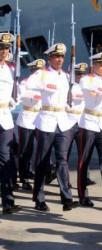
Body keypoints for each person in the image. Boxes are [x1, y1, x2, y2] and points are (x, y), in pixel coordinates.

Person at [27, 43, 78, 212]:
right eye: (57, 56)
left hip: (62, 121)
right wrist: (42, 91)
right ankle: (39, 198)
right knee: (42, 162)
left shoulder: (65, 76)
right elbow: (28, 89)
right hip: (46, 120)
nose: (60, 59)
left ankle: (67, 198)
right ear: (50, 58)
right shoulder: (41, 74)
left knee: (62, 160)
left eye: (62, 57)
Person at [77, 51, 102, 206]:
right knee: (84, 160)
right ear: (93, 65)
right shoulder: (86, 79)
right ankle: (83, 195)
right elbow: (92, 91)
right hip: (89, 122)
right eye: (100, 64)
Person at [16, 58, 46, 191]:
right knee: (25, 150)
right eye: (37, 70)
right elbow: (22, 95)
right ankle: (24, 177)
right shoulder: (24, 83)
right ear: (32, 70)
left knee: (41, 149)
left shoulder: (45, 84)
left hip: (40, 118)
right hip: (27, 118)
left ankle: (35, 172)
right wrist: (37, 96)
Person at [0, 33, 20, 214]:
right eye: (1, 48)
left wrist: (15, 99)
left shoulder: (12, 69)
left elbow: (15, 89)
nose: (4, 51)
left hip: (5, 117)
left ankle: (8, 202)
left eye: (6, 48)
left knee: (6, 160)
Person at [65, 62, 87, 182]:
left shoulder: (87, 87)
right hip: (68, 122)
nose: (81, 76)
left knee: (83, 154)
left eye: (83, 74)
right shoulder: (67, 86)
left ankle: (84, 178)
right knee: (65, 155)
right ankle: (65, 180)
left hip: (82, 122)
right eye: (78, 74)